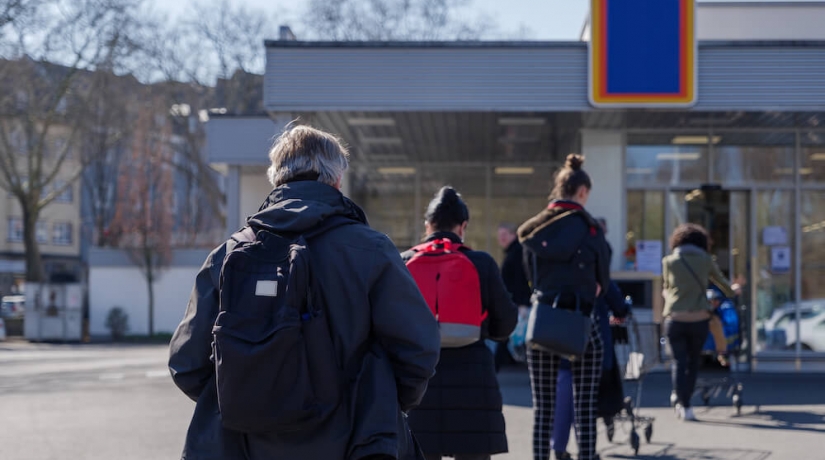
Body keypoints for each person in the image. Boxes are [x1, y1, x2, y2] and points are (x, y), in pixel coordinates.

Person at [168, 125, 441, 460]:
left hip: (246, 445)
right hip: (355, 442)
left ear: (277, 178)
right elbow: (417, 348)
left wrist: (248, 397)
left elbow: (186, 363)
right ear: (336, 180)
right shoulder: (371, 250)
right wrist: (381, 402)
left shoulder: (228, 254)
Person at [404, 186, 518, 460]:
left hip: (419, 380)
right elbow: (507, 323)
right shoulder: (482, 263)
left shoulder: (403, 262)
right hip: (473, 382)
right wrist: (479, 328)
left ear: (428, 224)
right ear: (463, 226)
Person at [518, 154, 611, 460]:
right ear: (582, 192)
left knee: (543, 407)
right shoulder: (591, 229)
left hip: (544, 320)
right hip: (583, 324)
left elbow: (530, 278)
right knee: (584, 408)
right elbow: (603, 284)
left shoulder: (535, 230)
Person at [551, 219, 630, 460]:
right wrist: (624, 308)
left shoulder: (561, 270)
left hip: (564, 342)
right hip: (593, 346)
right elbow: (619, 308)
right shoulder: (601, 278)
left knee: (564, 394)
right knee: (585, 398)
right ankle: (587, 449)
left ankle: (559, 446)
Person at [662, 223, 737, 422]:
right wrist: (733, 290)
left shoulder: (669, 261)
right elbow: (725, 286)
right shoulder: (706, 260)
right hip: (699, 319)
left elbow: (667, 288)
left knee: (679, 362)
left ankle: (680, 399)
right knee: (694, 362)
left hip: (675, 318)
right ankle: (686, 405)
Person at [496, 222, 533, 367]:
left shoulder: (517, 253)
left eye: (505, 235)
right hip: (513, 302)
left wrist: (522, 302)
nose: (502, 239)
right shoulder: (513, 252)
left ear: (513, 235)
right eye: (500, 236)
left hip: (517, 303)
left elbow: (520, 280)